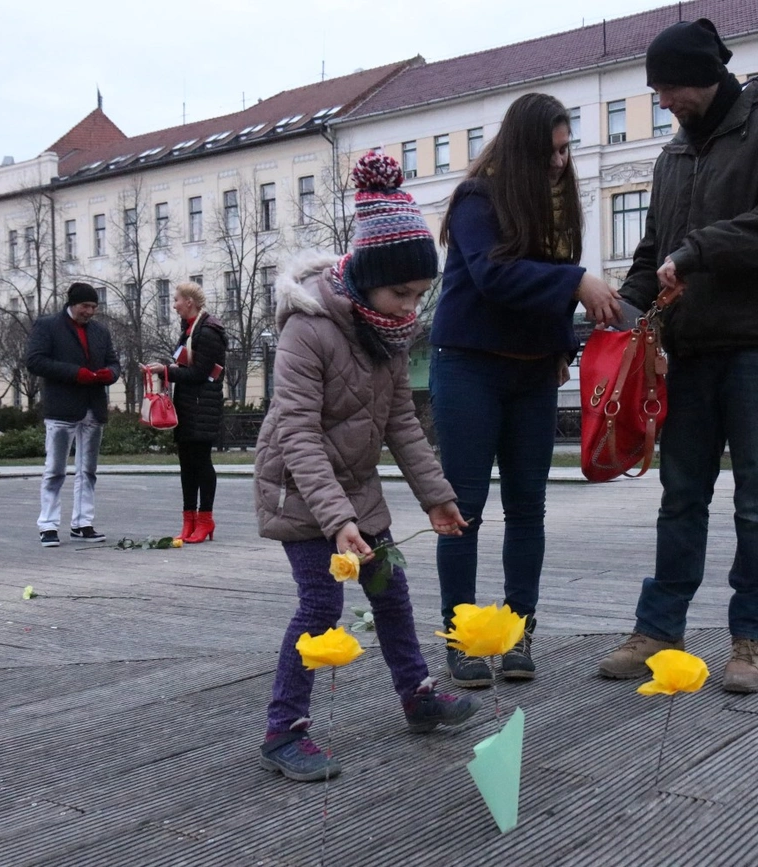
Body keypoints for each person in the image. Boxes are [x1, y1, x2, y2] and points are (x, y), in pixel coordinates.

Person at [596, 18, 758, 693]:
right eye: (656, 90)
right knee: (680, 496)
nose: (662, 101)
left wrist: (699, 251)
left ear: (706, 76)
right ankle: (658, 627)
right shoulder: (673, 158)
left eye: (669, 88)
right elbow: (653, 255)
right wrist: (618, 313)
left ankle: (751, 637)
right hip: (689, 352)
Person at [255, 152, 479, 782]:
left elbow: (401, 422)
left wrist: (436, 495)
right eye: (401, 293)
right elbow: (297, 432)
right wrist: (335, 521)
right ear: (366, 279)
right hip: (301, 494)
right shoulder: (309, 328)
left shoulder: (388, 334)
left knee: (390, 589)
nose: (411, 308)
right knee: (321, 604)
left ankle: (416, 694)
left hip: (356, 491)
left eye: (419, 296)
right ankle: (283, 729)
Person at [431, 93, 621, 688]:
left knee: (528, 509)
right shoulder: (476, 198)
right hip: (469, 368)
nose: (561, 163)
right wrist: (575, 281)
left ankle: (518, 633)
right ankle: (462, 638)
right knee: (462, 510)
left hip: (532, 371)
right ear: (523, 150)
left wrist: (563, 346)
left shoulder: (555, 202)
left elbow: (547, 289)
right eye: (552, 152)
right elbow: (494, 276)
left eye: (566, 150)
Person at [25, 282, 120, 547]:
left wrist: (109, 375)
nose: (89, 312)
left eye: (93, 307)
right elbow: (34, 361)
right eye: (85, 306)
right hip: (62, 408)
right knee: (55, 469)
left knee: (88, 470)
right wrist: (74, 373)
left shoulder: (101, 332)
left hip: (93, 407)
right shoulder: (47, 326)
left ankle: (82, 523)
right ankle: (48, 524)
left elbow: (114, 363)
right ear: (71, 303)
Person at [144, 281, 227, 544]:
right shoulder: (190, 329)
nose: (175, 304)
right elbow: (184, 362)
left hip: (203, 406)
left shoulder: (208, 331)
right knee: (186, 464)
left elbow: (201, 373)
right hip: (188, 405)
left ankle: (205, 519)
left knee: (201, 463)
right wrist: (166, 368)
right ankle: (189, 520)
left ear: (190, 302)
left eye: (177, 299)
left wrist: (166, 371)